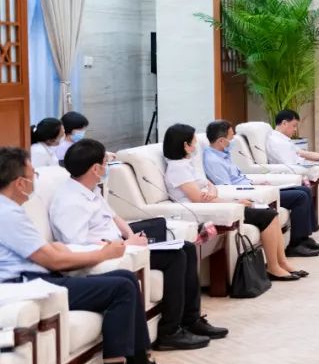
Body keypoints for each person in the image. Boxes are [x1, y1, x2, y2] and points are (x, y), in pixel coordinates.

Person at [0, 146, 185, 364]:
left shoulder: (10, 209)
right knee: (121, 288)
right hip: (27, 285)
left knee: (126, 279)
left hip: (39, 277)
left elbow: (42, 250)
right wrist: (103, 254)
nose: (35, 181)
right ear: (20, 183)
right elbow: (51, 259)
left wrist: (58, 249)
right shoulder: (7, 214)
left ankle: (140, 363)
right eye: (33, 175)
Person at [50, 138, 228, 350]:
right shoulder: (69, 201)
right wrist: (127, 244)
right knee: (175, 257)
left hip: (124, 244)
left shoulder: (90, 189)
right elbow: (76, 244)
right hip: (110, 255)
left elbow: (113, 217)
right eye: (105, 163)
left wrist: (130, 235)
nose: (108, 167)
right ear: (96, 169)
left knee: (186, 247)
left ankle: (191, 320)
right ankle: (169, 332)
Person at [162, 124, 305, 281]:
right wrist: (234, 202)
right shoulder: (177, 169)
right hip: (206, 211)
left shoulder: (186, 163)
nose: (196, 145)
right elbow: (198, 199)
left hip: (215, 203)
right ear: (185, 145)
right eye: (194, 141)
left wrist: (213, 192)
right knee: (268, 216)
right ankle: (273, 267)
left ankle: (282, 262)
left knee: (272, 214)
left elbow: (209, 185)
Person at [203, 120, 319, 257]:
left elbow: (238, 177)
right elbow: (227, 188)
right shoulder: (213, 160)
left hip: (253, 189)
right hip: (251, 195)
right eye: (231, 137)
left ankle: (304, 238)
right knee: (300, 197)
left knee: (304, 190)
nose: (234, 140)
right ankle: (296, 244)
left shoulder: (223, 154)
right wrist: (255, 189)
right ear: (221, 140)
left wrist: (258, 184)